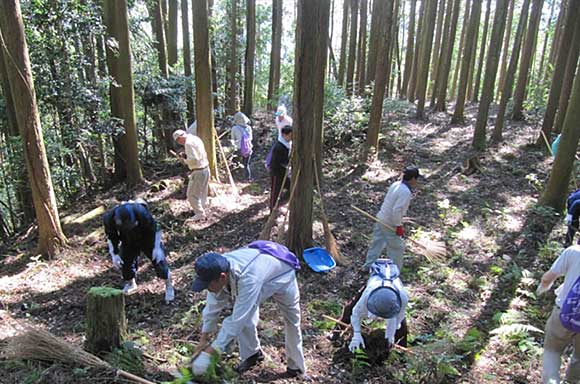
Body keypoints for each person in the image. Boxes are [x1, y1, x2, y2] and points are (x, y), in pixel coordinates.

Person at [190, 240, 306, 378]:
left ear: (222, 277)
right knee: (245, 315)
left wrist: (209, 352)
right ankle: (253, 354)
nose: (207, 289)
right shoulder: (216, 270)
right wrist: (203, 339)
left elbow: (237, 320)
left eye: (208, 285)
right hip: (260, 273)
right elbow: (212, 308)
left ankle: (296, 367)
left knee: (291, 320)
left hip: (283, 274)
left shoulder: (248, 278)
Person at [103, 199, 174, 303]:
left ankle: (169, 285)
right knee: (125, 261)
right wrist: (114, 254)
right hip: (127, 239)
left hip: (147, 237)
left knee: (159, 260)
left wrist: (156, 247)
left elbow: (155, 229)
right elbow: (111, 236)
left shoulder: (141, 212)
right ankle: (131, 282)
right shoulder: (109, 218)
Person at [343, 259, 408, 354]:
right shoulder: (367, 295)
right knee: (350, 308)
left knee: (402, 326)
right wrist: (357, 334)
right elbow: (356, 314)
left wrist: (390, 335)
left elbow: (397, 319)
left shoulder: (402, 298)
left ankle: (401, 350)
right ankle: (336, 333)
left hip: (393, 287)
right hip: (375, 281)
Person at [363, 167, 421, 271]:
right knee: (397, 248)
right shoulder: (405, 192)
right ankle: (396, 272)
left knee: (377, 243)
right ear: (412, 179)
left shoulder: (396, 184)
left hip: (381, 217)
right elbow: (396, 210)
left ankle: (368, 265)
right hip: (389, 223)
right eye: (416, 178)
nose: (417, 181)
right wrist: (398, 225)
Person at [537, 245, 580, 383]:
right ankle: (572, 381)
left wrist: (541, 290)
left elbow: (547, 278)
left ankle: (551, 381)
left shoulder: (574, 252)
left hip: (564, 312)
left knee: (552, 352)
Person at [173, 129, 210, 221]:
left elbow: (194, 159)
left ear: (180, 138)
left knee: (191, 194)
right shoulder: (195, 138)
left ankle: (199, 213)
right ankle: (202, 208)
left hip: (198, 171)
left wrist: (184, 160)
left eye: (178, 141)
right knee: (202, 192)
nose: (179, 143)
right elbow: (198, 154)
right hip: (205, 169)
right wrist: (186, 155)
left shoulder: (188, 143)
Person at [269, 126, 292, 210]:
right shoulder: (279, 146)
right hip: (276, 173)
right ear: (283, 135)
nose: (291, 138)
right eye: (289, 136)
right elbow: (279, 162)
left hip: (284, 172)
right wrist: (288, 164)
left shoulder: (288, 144)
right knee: (275, 193)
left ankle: (280, 204)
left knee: (291, 187)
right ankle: (272, 210)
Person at [230, 111, 253, 181]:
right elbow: (251, 138)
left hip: (238, 149)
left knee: (235, 163)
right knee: (246, 165)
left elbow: (232, 139)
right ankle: (247, 178)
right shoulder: (249, 128)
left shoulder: (234, 128)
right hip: (248, 148)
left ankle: (235, 177)